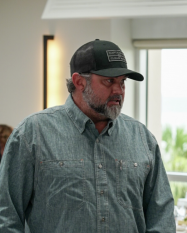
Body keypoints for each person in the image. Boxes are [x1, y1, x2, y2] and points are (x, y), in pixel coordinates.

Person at [0, 39, 175, 233]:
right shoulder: (31, 135)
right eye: (109, 81)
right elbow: (6, 217)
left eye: (122, 82)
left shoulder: (143, 139)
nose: (119, 91)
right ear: (79, 82)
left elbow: (162, 218)